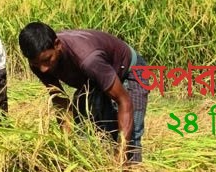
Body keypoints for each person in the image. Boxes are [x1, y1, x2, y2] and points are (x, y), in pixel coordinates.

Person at [18, 22, 150, 163]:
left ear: (57, 45)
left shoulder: (89, 60)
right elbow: (61, 100)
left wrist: (120, 157)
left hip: (129, 70)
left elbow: (124, 101)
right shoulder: (38, 64)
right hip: (94, 79)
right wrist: (68, 145)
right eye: (36, 63)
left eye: (47, 60)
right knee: (97, 132)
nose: (43, 69)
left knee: (130, 138)